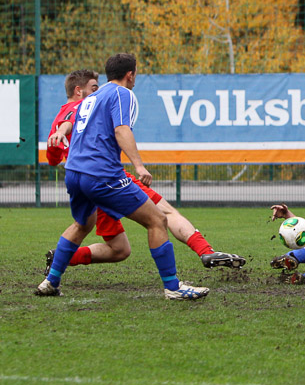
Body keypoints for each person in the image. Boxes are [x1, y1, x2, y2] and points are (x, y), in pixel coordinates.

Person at [37, 53, 211, 300]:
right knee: (158, 221)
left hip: (75, 172)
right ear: (131, 74)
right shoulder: (123, 94)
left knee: (82, 224)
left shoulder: (92, 97)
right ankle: (173, 287)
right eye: (135, 73)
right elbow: (121, 129)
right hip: (102, 174)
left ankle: (51, 282)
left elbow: (73, 124)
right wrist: (139, 166)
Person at [45, 69, 244, 271]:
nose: (98, 91)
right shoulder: (86, 105)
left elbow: (53, 157)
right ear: (79, 91)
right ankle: (203, 253)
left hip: (84, 183)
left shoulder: (64, 115)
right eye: (94, 88)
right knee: (161, 214)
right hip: (107, 177)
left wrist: (59, 135)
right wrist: (64, 130)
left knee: (119, 250)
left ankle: (61, 259)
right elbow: (72, 119)